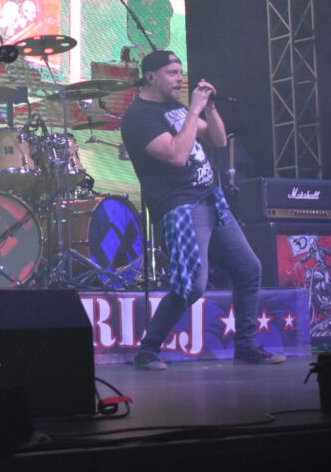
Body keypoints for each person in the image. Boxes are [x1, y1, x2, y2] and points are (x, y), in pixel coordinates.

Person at [120, 50, 284, 369]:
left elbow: (218, 140)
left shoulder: (176, 108)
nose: (180, 79)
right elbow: (176, 156)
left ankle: (246, 345)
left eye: (181, 73)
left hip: (211, 199)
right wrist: (194, 109)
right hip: (181, 206)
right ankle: (148, 350)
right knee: (192, 286)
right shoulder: (139, 116)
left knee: (249, 268)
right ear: (150, 76)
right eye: (172, 73)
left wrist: (208, 107)